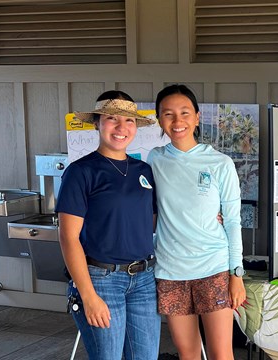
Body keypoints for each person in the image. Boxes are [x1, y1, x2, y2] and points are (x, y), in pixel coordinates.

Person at [56, 91, 161, 359]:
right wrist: (88, 296)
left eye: (128, 121)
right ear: (97, 123)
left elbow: (152, 221)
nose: (121, 127)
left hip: (144, 279)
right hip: (101, 280)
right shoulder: (81, 172)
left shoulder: (143, 171)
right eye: (112, 119)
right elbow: (69, 238)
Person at [148, 84, 245, 360]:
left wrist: (236, 274)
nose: (177, 121)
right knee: (187, 353)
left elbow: (233, 221)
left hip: (213, 268)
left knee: (221, 354)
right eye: (168, 114)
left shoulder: (220, 164)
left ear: (197, 117)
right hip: (170, 271)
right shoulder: (154, 159)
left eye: (184, 112)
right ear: (159, 120)